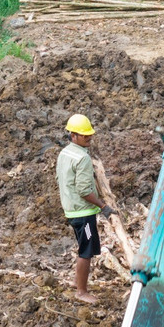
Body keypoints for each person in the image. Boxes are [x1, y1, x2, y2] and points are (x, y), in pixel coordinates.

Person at [55, 114, 113, 304]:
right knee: (86, 251)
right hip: (83, 212)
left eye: (89, 134)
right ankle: (81, 291)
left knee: (83, 246)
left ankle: (76, 282)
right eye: (84, 134)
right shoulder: (82, 158)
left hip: (70, 209)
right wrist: (103, 206)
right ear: (73, 135)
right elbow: (84, 191)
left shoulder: (65, 153)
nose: (89, 137)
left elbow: (62, 180)